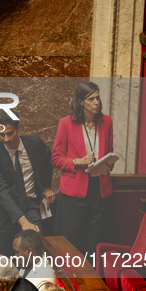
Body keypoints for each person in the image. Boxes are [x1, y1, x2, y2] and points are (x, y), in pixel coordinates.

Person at [51, 81, 114, 256]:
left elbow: (109, 151)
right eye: (91, 99)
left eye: (98, 98)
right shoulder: (66, 123)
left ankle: (92, 279)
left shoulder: (106, 121)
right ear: (80, 102)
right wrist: (77, 161)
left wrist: (107, 163)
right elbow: (56, 159)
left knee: (95, 241)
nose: (96, 102)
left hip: (100, 190)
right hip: (75, 193)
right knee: (73, 242)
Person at [0, 111, 55, 256]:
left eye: (10, 133)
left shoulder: (34, 143)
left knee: (34, 255)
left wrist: (46, 186)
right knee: (0, 263)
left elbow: (49, 159)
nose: (6, 139)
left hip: (30, 206)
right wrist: (23, 221)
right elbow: (2, 192)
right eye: (1, 135)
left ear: (19, 128)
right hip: (2, 214)